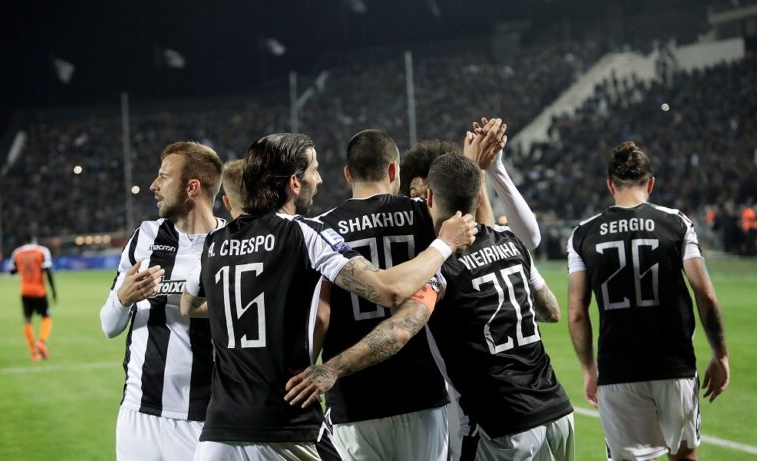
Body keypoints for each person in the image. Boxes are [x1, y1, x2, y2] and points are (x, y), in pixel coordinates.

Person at [181, 132, 477, 461]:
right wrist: (444, 244)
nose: (319, 179)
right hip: (285, 427)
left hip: (218, 433)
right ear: (295, 182)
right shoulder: (305, 232)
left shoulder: (216, 242)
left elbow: (188, 304)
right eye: (314, 170)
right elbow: (389, 291)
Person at [286, 152, 574, 461]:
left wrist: (332, 368)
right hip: (557, 411)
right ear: (479, 198)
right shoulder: (511, 242)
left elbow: (400, 330)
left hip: (500, 423)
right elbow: (551, 312)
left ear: (430, 197)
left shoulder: (441, 271)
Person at [567, 141, 730, 461]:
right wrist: (720, 353)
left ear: (610, 185)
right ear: (651, 184)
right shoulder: (676, 223)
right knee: (684, 457)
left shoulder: (583, 234)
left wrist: (589, 369)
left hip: (617, 369)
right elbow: (706, 294)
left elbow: (576, 313)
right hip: (674, 366)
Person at [308, 129, 453, 461]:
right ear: (393, 170)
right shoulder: (422, 213)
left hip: (355, 400)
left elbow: (319, 315)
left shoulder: (322, 229)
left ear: (347, 174)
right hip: (420, 393)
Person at [98, 141, 226, 461]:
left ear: (192, 187)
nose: (154, 185)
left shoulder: (231, 244)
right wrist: (123, 298)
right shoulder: (144, 237)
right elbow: (108, 326)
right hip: (138, 414)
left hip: (204, 418)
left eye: (164, 177)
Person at [10, 236, 57, 361]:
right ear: (34, 241)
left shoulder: (17, 252)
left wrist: (22, 268)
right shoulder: (42, 251)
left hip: (25, 291)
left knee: (27, 320)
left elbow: (12, 271)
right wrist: (53, 291)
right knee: (46, 316)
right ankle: (41, 341)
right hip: (39, 291)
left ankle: (34, 353)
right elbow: (48, 271)